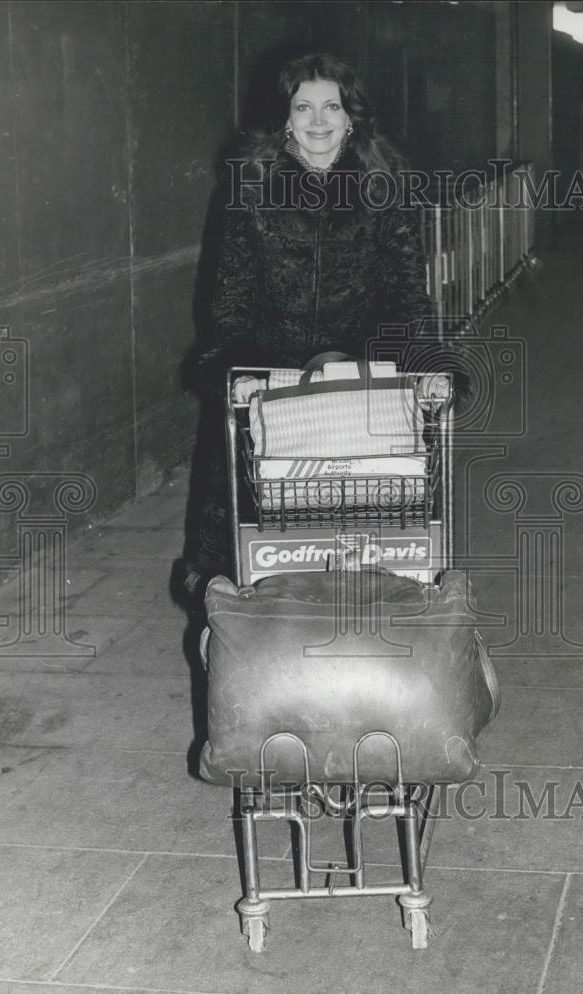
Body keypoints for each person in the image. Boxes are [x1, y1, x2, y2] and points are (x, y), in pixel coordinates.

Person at [182, 52, 434, 598]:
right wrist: (234, 363)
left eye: (331, 106)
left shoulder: (384, 182)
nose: (318, 121)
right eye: (303, 107)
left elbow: (408, 287)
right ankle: (239, 625)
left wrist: (424, 365)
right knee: (251, 519)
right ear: (285, 116)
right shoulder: (250, 184)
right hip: (270, 376)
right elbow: (231, 289)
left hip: (362, 380)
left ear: (351, 116)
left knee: (367, 511)